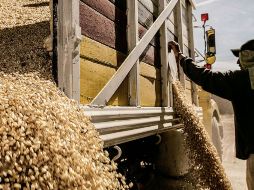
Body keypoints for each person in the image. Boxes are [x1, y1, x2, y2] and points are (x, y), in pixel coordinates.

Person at [168, 40, 254, 189]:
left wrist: (180, 57)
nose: (237, 62)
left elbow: (206, 77)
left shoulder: (242, 80)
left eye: (241, 57)